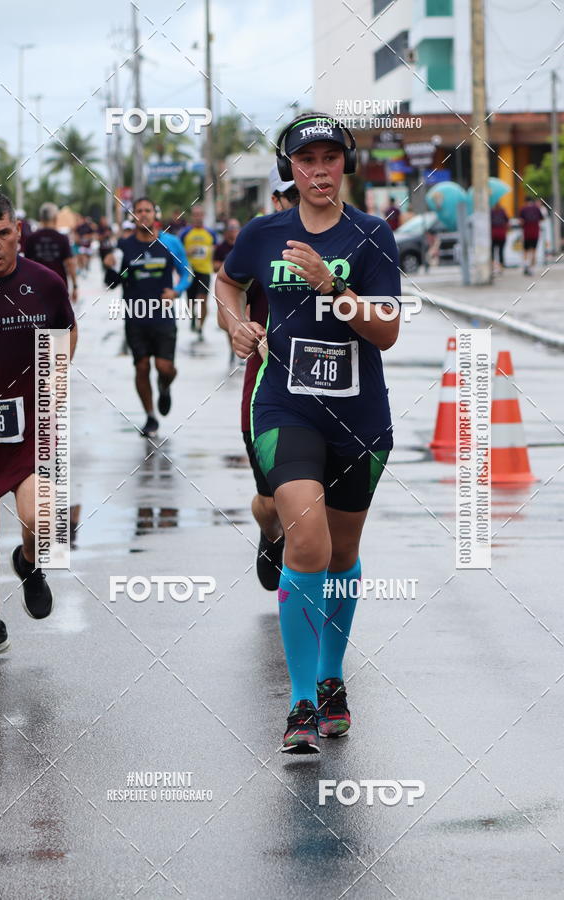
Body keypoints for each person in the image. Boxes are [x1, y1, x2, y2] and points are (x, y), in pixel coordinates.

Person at [216, 113, 400, 754]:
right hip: (284, 407)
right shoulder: (264, 232)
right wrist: (234, 324)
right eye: (307, 160)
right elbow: (227, 281)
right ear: (288, 169)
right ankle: (298, 703)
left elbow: (386, 331)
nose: (319, 170)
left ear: (345, 164)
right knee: (309, 542)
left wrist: (333, 286)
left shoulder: (372, 234)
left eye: (330, 158)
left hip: (360, 415)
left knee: (343, 554)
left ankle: (329, 677)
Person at [0, 189, 77, 663]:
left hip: (34, 423)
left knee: (43, 521)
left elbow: (68, 329)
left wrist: (59, 365)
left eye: (3, 234)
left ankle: (30, 563)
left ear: (18, 232)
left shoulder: (46, 283)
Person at [218, 171, 299, 591]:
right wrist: (238, 327)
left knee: (317, 510)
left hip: (329, 397)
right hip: (267, 391)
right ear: (275, 198)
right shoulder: (260, 239)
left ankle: (313, 622)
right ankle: (271, 533)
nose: (297, 200)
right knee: (271, 503)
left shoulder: (346, 236)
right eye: (288, 195)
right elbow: (226, 293)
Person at [103, 196, 191, 438]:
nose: (143, 214)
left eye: (147, 210)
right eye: (138, 211)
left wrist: (177, 291)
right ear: (133, 217)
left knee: (165, 367)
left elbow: (186, 273)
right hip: (135, 316)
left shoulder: (170, 243)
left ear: (156, 215)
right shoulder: (124, 246)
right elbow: (112, 283)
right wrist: (109, 266)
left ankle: (164, 386)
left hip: (163, 316)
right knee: (141, 367)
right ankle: (151, 417)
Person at [24, 201, 78, 301]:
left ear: (41, 218)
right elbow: (70, 263)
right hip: (58, 285)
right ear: (55, 218)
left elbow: (26, 265)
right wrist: (75, 286)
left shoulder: (31, 238)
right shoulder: (62, 238)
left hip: (37, 286)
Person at [180, 205, 217, 340]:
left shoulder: (211, 233)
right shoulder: (185, 233)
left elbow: (214, 250)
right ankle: (193, 316)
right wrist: (187, 252)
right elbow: (179, 252)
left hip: (205, 271)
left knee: (202, 300)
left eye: (200, 214)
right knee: (191, 301)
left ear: (204, 215)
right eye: (195, 214)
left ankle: (200, 327)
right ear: (192, 216)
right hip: (189, 271)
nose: (198, 217)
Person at [214, 219, 242, 364]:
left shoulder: (244, 245)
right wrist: (226, 267)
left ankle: (245, 352)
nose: (233, 230)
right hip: (225, 288)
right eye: (230, 228)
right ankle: (232, 348)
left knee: (244, 320)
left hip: (245, 289)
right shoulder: (221, 248)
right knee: (227, 321)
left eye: (235, 227)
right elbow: (214, 266)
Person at [518, 195, 543, 275]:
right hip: (535, 233)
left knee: (525, 250)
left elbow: (521, 221)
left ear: (525, 202)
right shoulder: (537, 208)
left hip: (526, 233)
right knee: (534, 251)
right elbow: (541, 219)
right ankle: (532, 268)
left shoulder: (523, 209)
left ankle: (525, 265)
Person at [490, 202, 509, 274]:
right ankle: (500, 268)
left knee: (492, 252)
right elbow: (507, 221)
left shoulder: (491, 212)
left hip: (493, 235)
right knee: (501, 252)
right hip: (501, 234)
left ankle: (492, 267)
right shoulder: (502, 211)